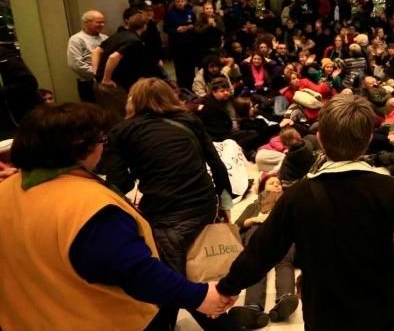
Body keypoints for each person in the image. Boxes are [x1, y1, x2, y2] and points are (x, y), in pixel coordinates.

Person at [216, 94, 394, 330]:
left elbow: (261, 251)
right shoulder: (387, 189)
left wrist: (227, 288)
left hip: (324, 311)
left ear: (320, 138)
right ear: (369, 138)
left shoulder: (298, 195)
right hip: (381, 308)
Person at [0, 103, 231, 330]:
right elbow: (137, 273)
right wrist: (199, 296)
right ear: (83, 147)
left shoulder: (7, 189)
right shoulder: (89, 206)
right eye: (102, 140)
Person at [100, 78, 238, 330]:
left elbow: (119, 182)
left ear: (133, 101)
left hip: (165, 213)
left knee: (172, 281)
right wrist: (225, 205)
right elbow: (216, 165)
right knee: (180, 273)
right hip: (204, 203)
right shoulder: (189, 121)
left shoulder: (122, 132)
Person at [229, 174, 299, 328]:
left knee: (284, 261)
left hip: (283, 234)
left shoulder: (288, 201)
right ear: (263, 188)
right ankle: (253, 309)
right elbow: (238, 224)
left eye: (278, 183)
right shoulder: (255, 205)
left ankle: (284, 301)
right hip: (258, 234)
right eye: (271, 183)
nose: (276, 185)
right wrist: (256, 219)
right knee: (256, 264)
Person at [93, 13, 163, 121]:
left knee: (110, 116)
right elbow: (113, 57)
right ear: (144, 26)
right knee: (124, 116)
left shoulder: (119, 35)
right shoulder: (134, 41)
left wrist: (96, 73)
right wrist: (106, 79)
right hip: (113, 86)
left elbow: (96, 51)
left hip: (100, 85)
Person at [67, 10, 108, 103]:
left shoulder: (105, 38)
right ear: (87, 22)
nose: (102, 25)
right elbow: (76, 64)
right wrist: (97, 74)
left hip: (105, 80)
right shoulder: (76, 39)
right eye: (98, 22)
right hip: (88, 83)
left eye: (103, 22)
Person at [164, 0, 198, 90]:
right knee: (180, 69)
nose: (180, 3)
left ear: (185, 2)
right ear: (175, 3)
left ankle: (192, 88)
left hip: (190, 45)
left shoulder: (190, 12)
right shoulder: (170, 14)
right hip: (177, 46)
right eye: (178, 1)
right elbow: (165, 29)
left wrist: (192, 27)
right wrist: (176, 30)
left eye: (182, 1)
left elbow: (196, 24)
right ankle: (183, 89)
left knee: (190, 69)